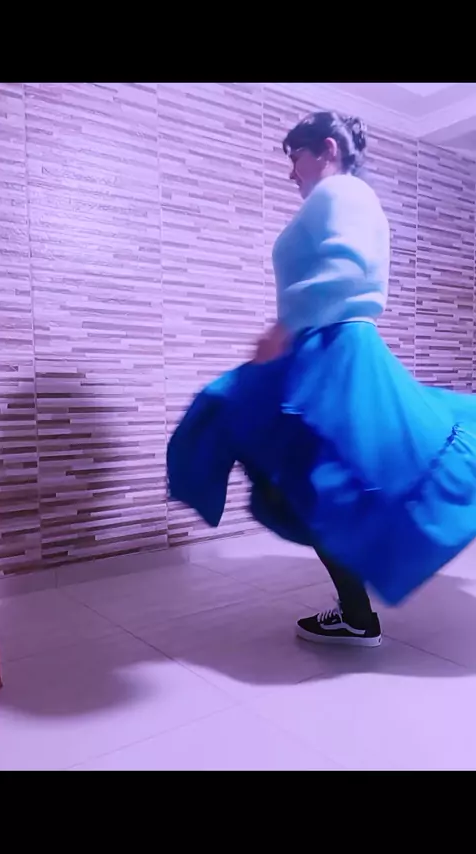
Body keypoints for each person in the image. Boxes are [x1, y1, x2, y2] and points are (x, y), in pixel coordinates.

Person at [167, 110, 476, 649]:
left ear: (327, 148)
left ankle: (356, 612)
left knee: (247, 431)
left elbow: (347, 269)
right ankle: (355, 613)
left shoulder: (340, 192)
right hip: (325, 346)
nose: (291, 172)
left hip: (332, 348)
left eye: (296, 157)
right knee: (310, 482)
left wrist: (283, 326)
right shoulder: (345, 197)